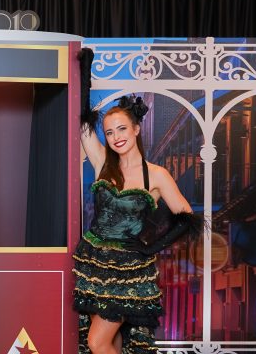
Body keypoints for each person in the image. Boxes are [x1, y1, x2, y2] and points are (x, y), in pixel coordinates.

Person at [74, 95, 202, 354]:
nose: (116, 137)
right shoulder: (102, 162)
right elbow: (85, 123)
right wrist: (84, 75)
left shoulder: (156, 175)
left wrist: (150, 247)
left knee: (97, 342)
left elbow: (187, 218)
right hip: (93, 265)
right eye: (109, 132)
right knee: (110, 342)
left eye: (122, 129)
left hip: (128, 271)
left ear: (136, 129)